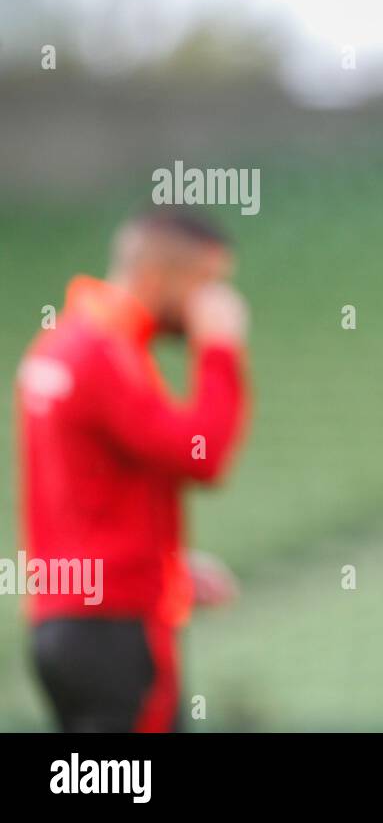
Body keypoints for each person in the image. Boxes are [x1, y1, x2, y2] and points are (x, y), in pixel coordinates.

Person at [16, 205, 247, 732]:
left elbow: (94, 492)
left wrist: (167, 565)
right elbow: (202, 453)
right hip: (116, 628)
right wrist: (219, 349)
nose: (214, 304)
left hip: (65, 625)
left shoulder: (63, 345)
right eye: (206, 285)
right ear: (159, 276)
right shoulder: (106, 355)